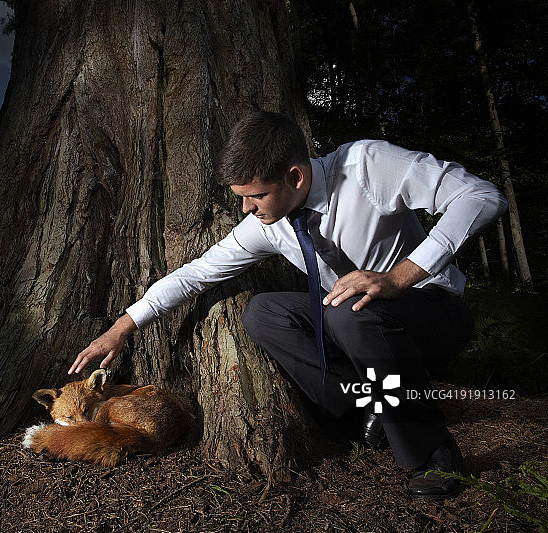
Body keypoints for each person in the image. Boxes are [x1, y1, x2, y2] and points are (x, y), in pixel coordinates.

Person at [68, 111, 508, 499]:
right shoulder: (269, 223)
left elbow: (481, 196)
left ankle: (431, 448)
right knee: (264, 314)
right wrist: (123, 325)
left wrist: (401, 275)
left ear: (295, 177)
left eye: (255, 195)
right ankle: (362, 411)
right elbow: (196, 273)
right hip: (356, 326)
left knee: (345, 311)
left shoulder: (367, 165)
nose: (246, 208)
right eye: (241, 196)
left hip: (433, 313)